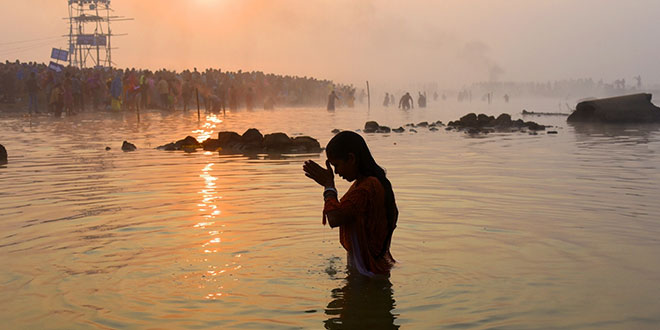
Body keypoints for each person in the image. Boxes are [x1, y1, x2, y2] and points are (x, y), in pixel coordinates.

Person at [303, 131, 398, 277]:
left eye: (337, 165)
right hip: (374, 270)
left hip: (368, 274)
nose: (336, 172)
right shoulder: (370, 183)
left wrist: (329, 186)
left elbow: (335, 218)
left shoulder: (367, 188)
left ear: (351, 158)